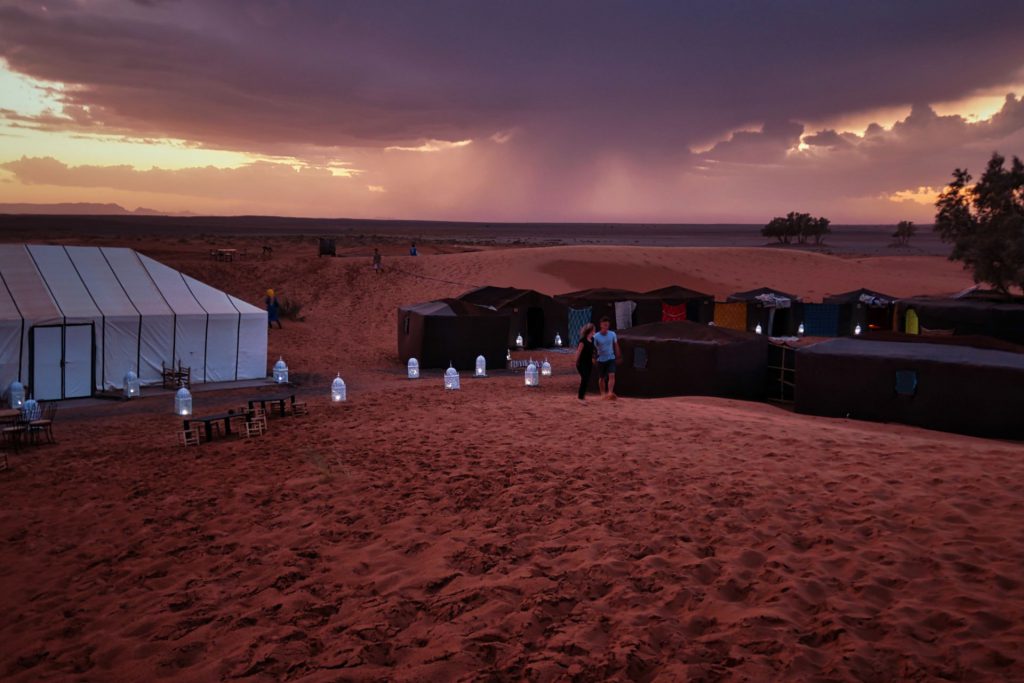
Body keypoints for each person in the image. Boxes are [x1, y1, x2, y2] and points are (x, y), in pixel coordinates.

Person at [593, 316, 620, 399]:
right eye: (604, 325)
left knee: (612, 375)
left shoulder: (612, 334)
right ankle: (602, 394)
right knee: (601, 378)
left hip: (611, 358)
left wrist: (618, 354)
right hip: (601, 359)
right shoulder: (596, 336)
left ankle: (610, 393)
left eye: (607, 325)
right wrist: (593, 358)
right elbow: (592, 348)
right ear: (601, 325)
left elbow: (615, 344)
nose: (606, 327)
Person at [574, 322, 596, 401]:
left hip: (589, 363)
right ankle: (580, 397)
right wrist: (576, 361)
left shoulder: (592, 340)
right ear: (589, 331)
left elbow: (592, 350)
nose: (594, 332)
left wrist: (593, 357)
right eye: (593, 330)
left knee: (586, 379)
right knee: (584, 378)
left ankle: (582, 396)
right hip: (581, 363)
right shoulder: (582, 341)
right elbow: (578, 352)